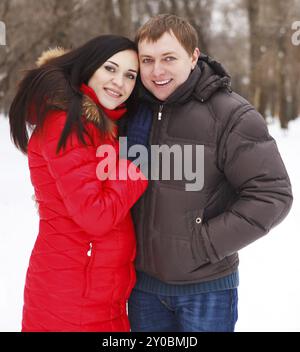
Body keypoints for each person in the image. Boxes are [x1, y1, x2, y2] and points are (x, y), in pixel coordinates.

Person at [126, 14, 293, 332]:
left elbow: (272, 194)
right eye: (147, 60)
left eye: (168, 58)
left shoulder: (231, 115)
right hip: (142, 289)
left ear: (193, 56)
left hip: (206, 291)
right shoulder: (130, 113)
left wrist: (204, 244)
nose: (156, 70)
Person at [9, 35, 148, 332]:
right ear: (89, 67)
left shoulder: (99, 125)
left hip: (94, 292)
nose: (119, 83)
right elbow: (94, 215)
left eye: (130, 75)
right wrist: (132, 172)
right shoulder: (67, 123)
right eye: (110, 69)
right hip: (70, 299)